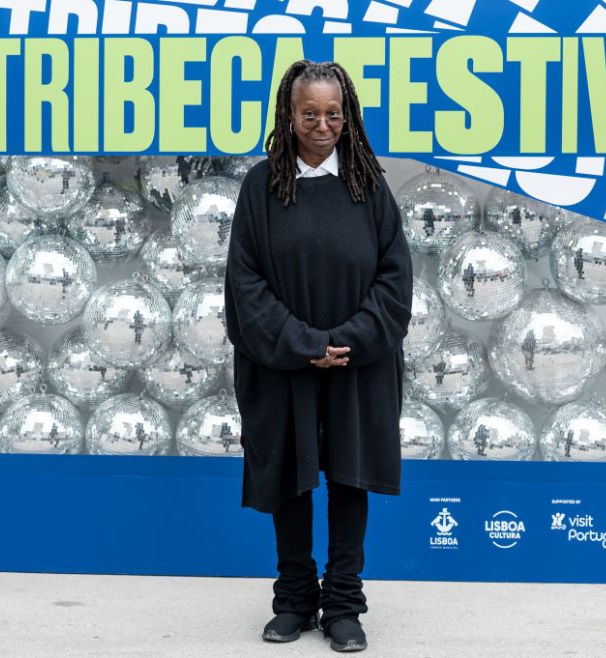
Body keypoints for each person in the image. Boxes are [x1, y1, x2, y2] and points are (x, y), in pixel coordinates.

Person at [223, 60, 413, 653]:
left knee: (349, 478)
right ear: (289, 114)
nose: (323, 125)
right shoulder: (261, 188)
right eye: (310, 114)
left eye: (334, 113)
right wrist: (306, 345)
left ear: (348, 114)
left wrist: (348, 341)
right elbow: (244, 285)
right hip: (283, 364)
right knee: (292, 478)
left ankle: (344, 606)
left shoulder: (368, 184)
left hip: (360, 365)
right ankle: (295, 600)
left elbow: (395, 278)